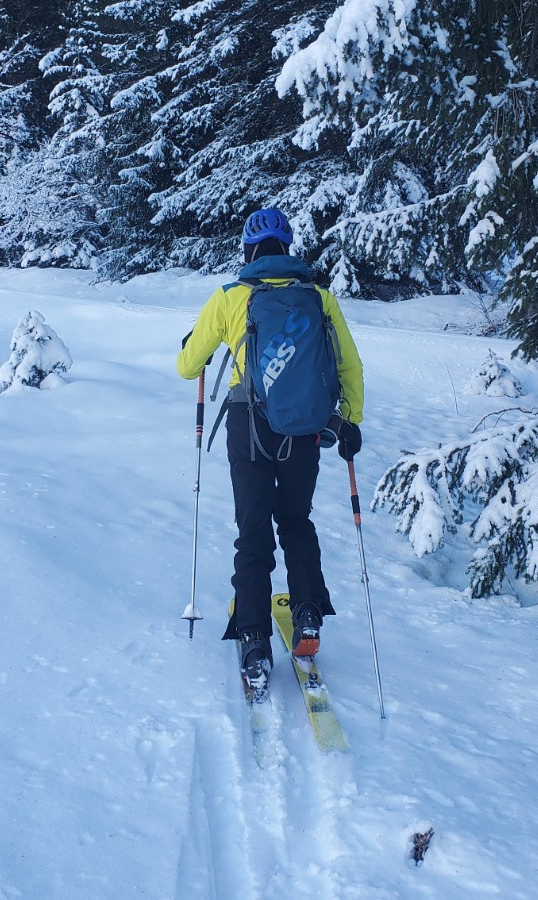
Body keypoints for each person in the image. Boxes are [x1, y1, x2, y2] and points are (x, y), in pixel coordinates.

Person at [176, 208, 364, 693]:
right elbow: (350, 366)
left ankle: (255, 637)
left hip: (249, 426)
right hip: (304, 429)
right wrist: (351, 421)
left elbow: (186, 365)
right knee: (296, 521)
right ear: (287, 247)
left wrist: (191, 345)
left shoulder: (230, 297)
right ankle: (306, 615)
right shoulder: (319, 297)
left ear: (249, 250)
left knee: (253, 530)